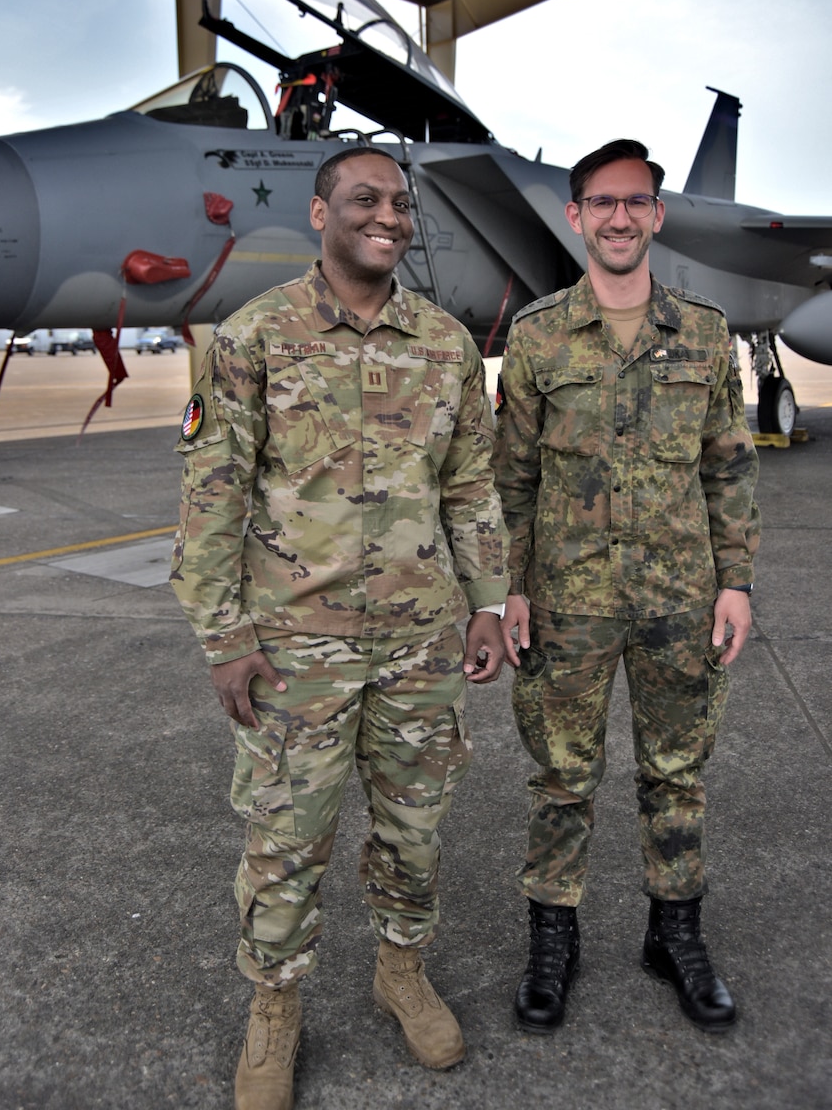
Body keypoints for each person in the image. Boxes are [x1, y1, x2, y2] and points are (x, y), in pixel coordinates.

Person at [170, 146, 508, 1110]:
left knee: (414, 829)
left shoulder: (445, 344)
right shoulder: (253, 337)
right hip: (294, 652)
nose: (388, 216)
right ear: (320, 213)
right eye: (365, 199)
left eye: (400, 203)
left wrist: (486, 601)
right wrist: (224, 638)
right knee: (286, 840)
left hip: (418, 645)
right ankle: (274, 1006)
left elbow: (468, 485)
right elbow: (211, 498)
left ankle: (400, 971)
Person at [492, 139, 760, 1037]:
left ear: (655, 216)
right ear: (575, 217)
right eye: (600, 203)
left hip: (680, 596)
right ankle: (552, 940)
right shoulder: (534, 337)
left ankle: (672, 934)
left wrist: (736, 585)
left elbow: (729, 469)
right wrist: (509, 589)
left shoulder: (705, 333)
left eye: (633, 203)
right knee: (561, 778)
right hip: (567, 602)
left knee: (675, 776)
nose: (617, 217)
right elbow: (513, 477)